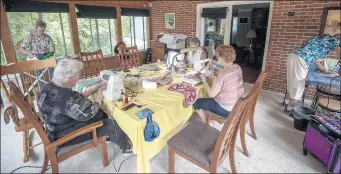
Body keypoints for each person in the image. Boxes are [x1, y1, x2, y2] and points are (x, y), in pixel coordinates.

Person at [37, 58, 132, 155]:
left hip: (54, 127)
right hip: (62, 136)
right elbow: (91, 110)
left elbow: (74, 98)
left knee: (100, 114)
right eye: (78, 75)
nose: (79, 77)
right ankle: (127, 148)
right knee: (110, 123)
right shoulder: (67, 97)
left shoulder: (49, 86)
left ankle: (105, 135)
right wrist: (99, 95)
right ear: (70, 78)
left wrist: (94, 88)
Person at [285, 33, 340, 115]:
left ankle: (286, 103)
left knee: (292, 82)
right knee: (298, 86)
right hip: (301, 59)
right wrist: (332, 72)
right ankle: (289, 109)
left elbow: (315, 59)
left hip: (293, 55)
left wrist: (326, 70)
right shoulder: (334, 42)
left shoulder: (321, 39)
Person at [193, 45, 244, 121]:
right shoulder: (237, 67)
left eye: (217, 57)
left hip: (227, 110)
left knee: (196, 102)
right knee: (207, 94)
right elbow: (225, 67)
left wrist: (204, 80)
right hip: (237, 104)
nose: (216, 58)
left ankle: (207, 123)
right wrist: (211, 61)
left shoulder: (223, 74)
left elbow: (211, 94)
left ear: (222, 58)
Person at [20, 21, 55, 89]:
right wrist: (30, 53)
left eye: (43, 30)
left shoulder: (47, 37)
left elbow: (52, 49)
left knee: (52, 71)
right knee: (39, 75)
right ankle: (43, 89)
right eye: (40, 30)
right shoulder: (30, 37)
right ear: (36, 28)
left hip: (46, 55)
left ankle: (53, 87)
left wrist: (46, 56)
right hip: (35, 56)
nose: (41, 32)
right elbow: (21, 48)